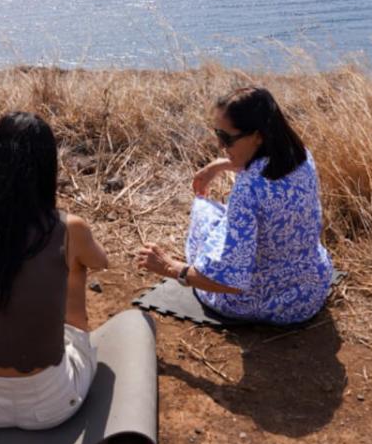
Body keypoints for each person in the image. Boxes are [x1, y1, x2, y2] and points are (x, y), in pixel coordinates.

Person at [0, 113, 109, 430]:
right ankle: (76, 328)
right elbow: (101, 262)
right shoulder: (66, 228)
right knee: (74, 262)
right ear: (48, 167)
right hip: (50, 405)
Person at [137, 87, 333, 325]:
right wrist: (219, 166)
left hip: (264, 304)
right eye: (217, 133)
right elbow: (264, 170)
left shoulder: (248, 191)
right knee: (229, 222)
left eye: (226, 138)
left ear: (258, 136)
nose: (220, 144)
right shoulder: (300, 155)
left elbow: (230, 282)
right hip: (310, 292)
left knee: (204, 210)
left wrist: (171, 268)